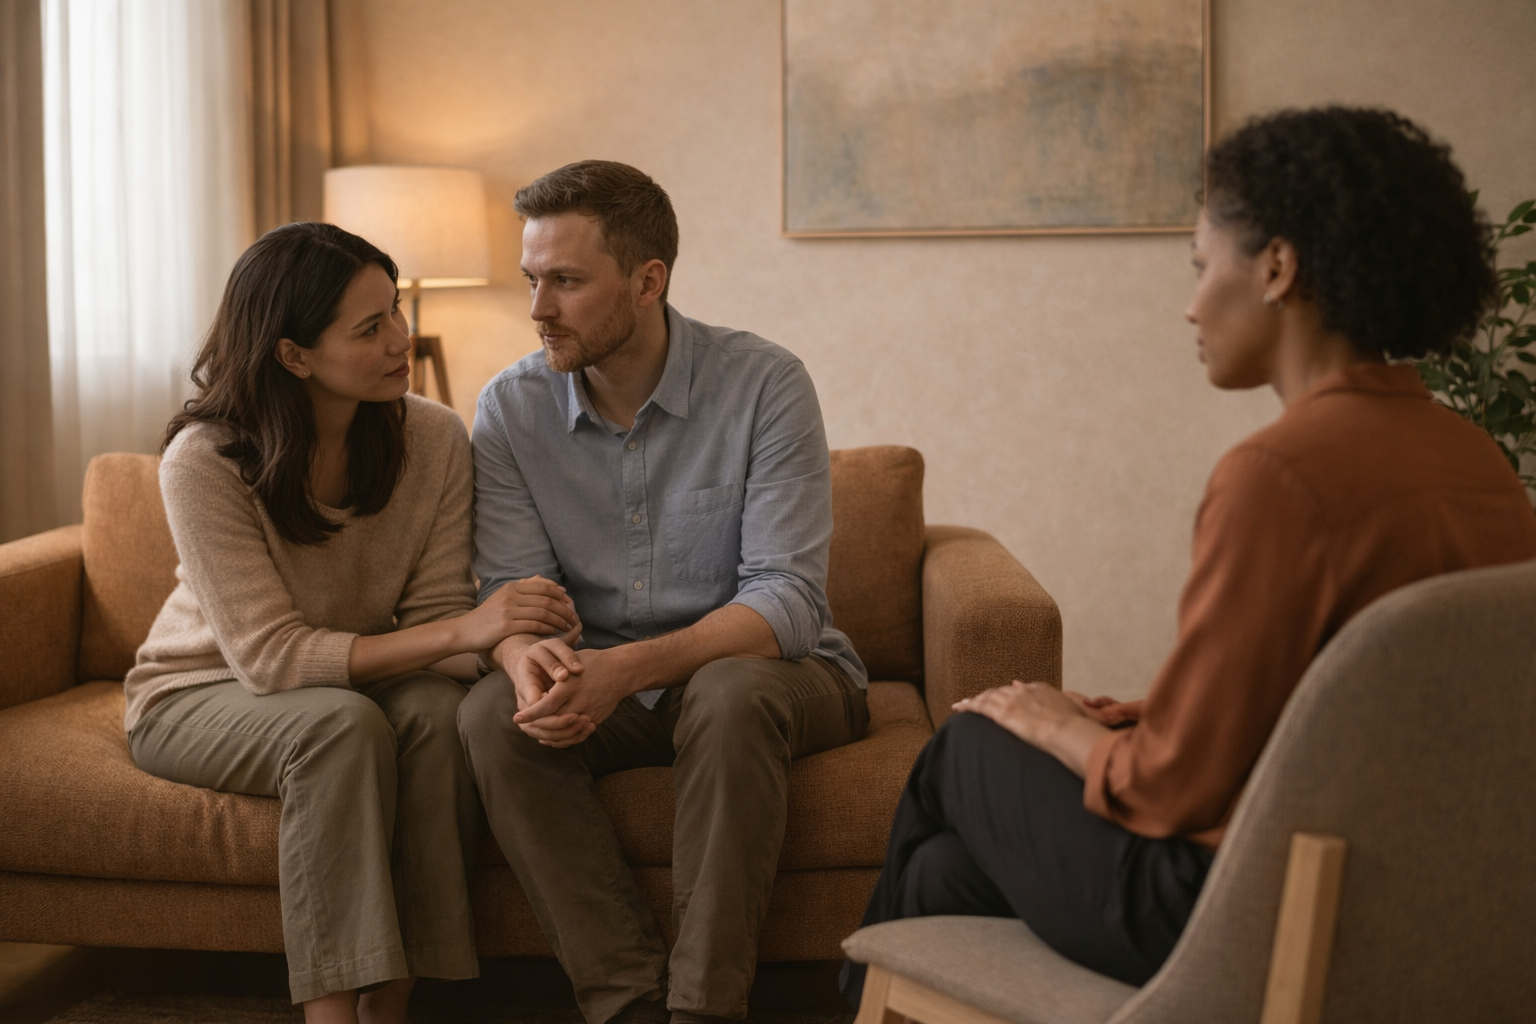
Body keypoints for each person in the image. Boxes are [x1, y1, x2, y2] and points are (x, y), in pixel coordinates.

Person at [842, 106, 1536, 998]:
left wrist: (1061, 728)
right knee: (941, 875)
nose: (1190, 302)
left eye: (1203, 267)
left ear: (1278, 269)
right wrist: (1133, 717)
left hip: (1230, 904)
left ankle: (850, 1004)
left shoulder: (1280, 476)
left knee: (971, 736)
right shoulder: (1472, 455)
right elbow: (1332, 701)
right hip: (1407, 896)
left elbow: (1172, 795)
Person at [123, 223, 579, 1024]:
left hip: (345, 682)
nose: (401, 340)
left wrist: (524, 650)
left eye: (394, 311)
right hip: (197, 691)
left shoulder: (432, 437)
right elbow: (270, 660)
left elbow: (441, 610)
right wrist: (471, 630)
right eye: (370, 329)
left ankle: (393, 1002)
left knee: (443, 715)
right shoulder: (203, 460)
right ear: (293, 355)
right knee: (339, 728)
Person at [457, 160, 868, 1024]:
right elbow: (510, 592)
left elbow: (788, 599)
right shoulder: (508, 409)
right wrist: (524, 658)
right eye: (533, 280)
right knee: (492, 714)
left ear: (649, 281)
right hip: (609, 684)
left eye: (565, 282)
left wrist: (623, 668)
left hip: (773, 676)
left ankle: (704, 1012)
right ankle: (629, 1008)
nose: (537, 309)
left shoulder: (764, 385)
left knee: (727, 691)